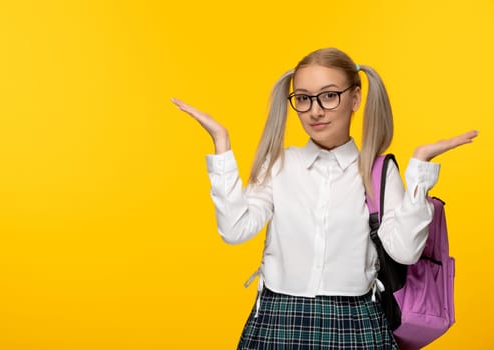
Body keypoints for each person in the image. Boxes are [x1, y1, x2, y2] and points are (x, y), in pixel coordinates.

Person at [171, 47, 477, 349]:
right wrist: (221, 145)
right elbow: (235, 230)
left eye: (329, 96)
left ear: (355, 98)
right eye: (303, 99)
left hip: (355, 321)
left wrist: (420, 169)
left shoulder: (378, 172)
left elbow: (406, 252)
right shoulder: (279, 164)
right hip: (280, 320)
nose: (315, 111)